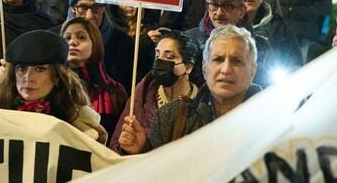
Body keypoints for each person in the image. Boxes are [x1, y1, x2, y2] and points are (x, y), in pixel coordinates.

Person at [117, 25, 261, 154]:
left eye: (236, 61)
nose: (226, 69)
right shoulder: (170, 116)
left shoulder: (274, 122)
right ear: (205, 69)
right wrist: (142, 150)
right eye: (218, 59)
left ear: (252, 71)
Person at [0, 30, 108, 144]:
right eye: (21, 68)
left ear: (57, 76)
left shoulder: (79, 121)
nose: (28, 77)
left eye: (40, 69)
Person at [111, 29, 199, 152]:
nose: (160, 61)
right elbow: (116, 145)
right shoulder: (141, 95)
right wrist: (128, 149)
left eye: (169, 56)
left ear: (188, 67)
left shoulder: (202, 104)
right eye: (157, 55)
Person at [68, 0, 147, 91]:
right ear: (73, 8)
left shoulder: (123, 44)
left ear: (104, 8)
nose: (89, 16)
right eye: (82, 8)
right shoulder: (55, 40)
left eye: (95, 8)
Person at [64, 17, 128, 144]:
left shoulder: (115, 93)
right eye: (67, 38)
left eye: (81, 37)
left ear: (95, 43)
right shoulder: (52, 87)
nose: (73, 42)